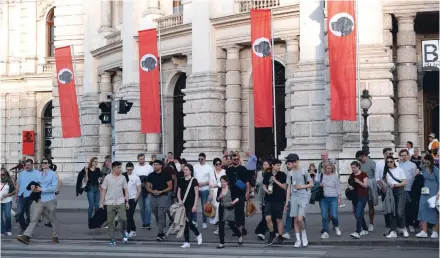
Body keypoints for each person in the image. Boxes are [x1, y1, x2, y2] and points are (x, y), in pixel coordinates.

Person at [16, 158, 59, 245]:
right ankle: (26, 236)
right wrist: (33, 186)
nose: (43, 164)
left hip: (50, 199)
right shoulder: (39, 174)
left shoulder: (53, 174)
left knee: (52, 218)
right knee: (34, 218)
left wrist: (42, 189)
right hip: (39, 199)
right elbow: (35, 183)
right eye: (42, 163)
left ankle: (55, 236)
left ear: (49, 164)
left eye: (45, 163)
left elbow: (54, 188)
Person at [285, 153, 313, 248]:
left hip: (303, 196)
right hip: (293, 196)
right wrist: (286, 201)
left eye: (292, 162)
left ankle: (303, 234)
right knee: (295, 219)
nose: (291, 164)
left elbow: (311, 184)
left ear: (296, 161)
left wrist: (302, 186)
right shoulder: (290, 173)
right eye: (290, 162)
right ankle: (298, 239)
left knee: (300, 218)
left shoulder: (304, 171)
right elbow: (288, 188)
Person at [100, 161, 129, 247]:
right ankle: (112, 239)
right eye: (118, 167)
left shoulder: (123, 178)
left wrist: (127, 201)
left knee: (123, 218)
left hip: (120, 201)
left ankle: (123, 231)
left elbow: (126, 190)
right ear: (113, 168)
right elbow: (103, 190)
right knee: (110, 222)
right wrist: (101, 202)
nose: (120, 169)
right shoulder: (107, 178)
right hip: (109, 201)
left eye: (120, 167)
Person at [382, 156, 408, 239]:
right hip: (391, 192)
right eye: (388, 162)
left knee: (400, 211)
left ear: (394, 162)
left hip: (400, 191)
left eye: (391, 161)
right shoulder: (386, 172)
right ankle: (393, 231)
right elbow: (385, 181)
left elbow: (404, 182)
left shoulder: (399, 170)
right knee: (392, 211)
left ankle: (403, 228)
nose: (389, 163)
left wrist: (395, 185)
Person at [177, 164, 203, 248]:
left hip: (191, 204)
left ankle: (198, 234)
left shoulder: (194, 180)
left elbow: (196, 194)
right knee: (184, 223)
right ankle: (186, 241)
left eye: (186, 170)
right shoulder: (181, 180)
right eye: (184, 170)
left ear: (190, 171)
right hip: (183, 204)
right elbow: (178, 192)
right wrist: (180, 200)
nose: (185, 171)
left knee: (188, 222)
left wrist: (195, 205)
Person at [263, 159, 287, 246]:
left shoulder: (282, 174)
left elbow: (284, 187)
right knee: (267, 218)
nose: (279, 167)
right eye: (277, 165)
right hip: (269, 199)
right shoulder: (267, 174)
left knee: (278, 219)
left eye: (279, 165)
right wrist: (266, 191)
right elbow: (264, 185)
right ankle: (272, 233)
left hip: (279, 199)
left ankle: (280, 236)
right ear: (272, 165)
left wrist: (276, 181)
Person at [147, 160, 172, 241]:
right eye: (154, 165)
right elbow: (148, 187)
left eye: (157, 165)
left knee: (161, 214)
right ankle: (161, 230)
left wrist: (161, 191)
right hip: (153, 197)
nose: (155, 166)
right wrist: (153, 191)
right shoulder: (151, 175)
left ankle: (159, 234)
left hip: (163, 196)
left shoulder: (166, 175)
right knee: (156, 214)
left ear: (161, 166)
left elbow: (170, 186)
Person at [225, 153, 250, 236]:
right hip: (232, 193)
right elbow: (227, 183)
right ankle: (236, 228)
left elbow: (247, 182)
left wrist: (247, 192)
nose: (236, 160)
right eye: (234, 159)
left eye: (237, 159)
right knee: (233, 211)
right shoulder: (229, 170)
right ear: (231, 160)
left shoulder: (243, 169)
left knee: (240, 211)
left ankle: (242, 227)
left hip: (241, 193)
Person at [216, 175, 243, 249]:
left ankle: (239, 235)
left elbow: (238, 197)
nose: (222, 183)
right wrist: (219, 197)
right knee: (221, 225)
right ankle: (221, 243)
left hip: (230, 208)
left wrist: (233, 202)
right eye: (221, 182)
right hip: (222, 208)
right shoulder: (219, 189)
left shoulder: (232, 188)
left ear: (227, 182)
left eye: (224, 182)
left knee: (231, 225)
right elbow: (217, 200)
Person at [416, 154, 439, 238]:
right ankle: (424, 231)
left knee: (434, 211)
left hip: (434, 193)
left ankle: (435, 231)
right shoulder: (423, 169)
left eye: (426, 161)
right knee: (422, 209)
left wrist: (438, 194)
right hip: (425, 193)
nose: (425, 162)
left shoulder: (436, 170)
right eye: (424, 161)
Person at [15, 159, 40, 235]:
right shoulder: (21, 173)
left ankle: (29, 231)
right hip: (21, 196)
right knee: (19, 213)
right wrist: (16, 194)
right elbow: (18, 184)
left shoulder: (37, 173)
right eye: (26, 165)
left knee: (29, 215)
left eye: (29, 165)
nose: (27, 166)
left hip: (31, 197)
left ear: (32, 165)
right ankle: (23, 228)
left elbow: (40, 185)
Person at [318, 162, 341, 239]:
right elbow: (314, 183)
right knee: (324, 216)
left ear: (332, 169)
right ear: (324, 169)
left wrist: (339, 198)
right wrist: (319, 184)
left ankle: (336, 225)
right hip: (323, 198)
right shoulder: (321, 176)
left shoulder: (334, 176)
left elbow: (337, 188)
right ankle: (325, 231)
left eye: (330, 168)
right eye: (327, 168)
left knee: (333, 215)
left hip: (333, 197)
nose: (328, 170)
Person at [355, 150, 377, 232]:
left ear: (364, 156)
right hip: (361, 187)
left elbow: (376, 174)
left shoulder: (372, 163)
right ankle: (362, 224)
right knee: (361, 207)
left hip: (370, 187)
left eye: (360, 159)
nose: (359, 161)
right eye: (358, 160)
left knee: (371, 205)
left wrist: (372, 183)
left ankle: (371, 223)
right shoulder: (359, 164)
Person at [398, 149, 418, 233]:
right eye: (401, 155)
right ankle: (404, 225)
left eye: (405, 155)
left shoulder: (413, 165)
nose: (403, 157)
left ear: (408, 155)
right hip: (400, 189)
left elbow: (414, 177)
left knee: (410, 208)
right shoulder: (398, 165)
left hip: (410, 189)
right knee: (402, 209)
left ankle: (410, 225)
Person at [348, 161, 369, 239]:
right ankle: (365, 228)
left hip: (362, 196)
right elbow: (349, 183)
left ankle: (357, 231)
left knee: (359, 213)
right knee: (356, 213)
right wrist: (350, 186)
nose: (353, 169)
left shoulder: (364, 174)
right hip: (354, 196)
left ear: (358, 167)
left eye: (354, 167)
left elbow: (365, 185)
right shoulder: (352, 175)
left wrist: (359, 181)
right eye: (352, 168)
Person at [375, 148, 393, 236]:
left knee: (394, 206)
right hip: (384, 188)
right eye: (389, 153)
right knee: (386, 207)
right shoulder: (379, 164)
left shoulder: (394, 162)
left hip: (394, 188)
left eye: (392, 153)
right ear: (384, 154)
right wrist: (382, 188)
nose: (391, 154)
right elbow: (377, 178)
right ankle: (388, 224)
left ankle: (394, 224)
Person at [133, 153, 154, 230]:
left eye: (143, 159)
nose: (142, 160)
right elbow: (134, 179)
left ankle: (147, 223)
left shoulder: (149, 167)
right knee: (142, 207)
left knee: (148, 207)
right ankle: (144, 222)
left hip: (148, 189)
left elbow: (152, 177)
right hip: (139, 189)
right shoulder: (135, 168)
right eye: (140, 159)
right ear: (138, 159)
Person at [193, 153, 212, 229]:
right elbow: (193, 177)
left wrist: (204, 183)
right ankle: (195, 221)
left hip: (205, 189)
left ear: (205, 159)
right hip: (196, 188)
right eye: (199, 159)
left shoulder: (209, 167)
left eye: (202, 159)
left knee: (204, 206)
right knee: (195, 205)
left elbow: (211, 179)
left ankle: (204, 222)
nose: (200, 160)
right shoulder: (195, 166)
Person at [254, 160, 272, 240]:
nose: (265, 165)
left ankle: (261, 230)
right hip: (262, 195)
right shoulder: (259, 173)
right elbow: (258, 184)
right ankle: (262, 231)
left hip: (270, 196)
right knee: (264, 215)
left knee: (267, 216)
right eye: (264, 164)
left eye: (266, 164)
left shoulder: (272, 173)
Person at [209, 158, 226, 234]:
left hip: (222, 192)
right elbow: (210, 184)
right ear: (214, 165)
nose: (218, 165)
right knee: (216, 211)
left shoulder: (224, 172)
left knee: (221, 210)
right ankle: (219, 226)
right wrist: (211, 194)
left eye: (219, 164)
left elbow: (225, 182)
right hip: (215, 193)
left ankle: (220, 228)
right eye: (216, 164)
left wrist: (216, 185)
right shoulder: (211, 172)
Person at [124, 162, 141, 238]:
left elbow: (139, 189)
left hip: (133, 198)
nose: (129, 171)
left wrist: (135, 199)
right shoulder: (123, 176)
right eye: (128, 170)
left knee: (129, 215)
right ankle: (133, 230)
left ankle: (128, 231)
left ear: (133, 169)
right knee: (128, 215)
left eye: (130, 170)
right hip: (124, 198)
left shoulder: (136, 177)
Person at [1, 170, 13, 236]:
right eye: (0, 174)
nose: (1, 176)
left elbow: (13, 190)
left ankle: (8, 229)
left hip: (7, 200)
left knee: (7, 216)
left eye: (3, 174)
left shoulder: (9, 180)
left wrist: (7, 195)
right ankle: (2, 231)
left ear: (6, 174)